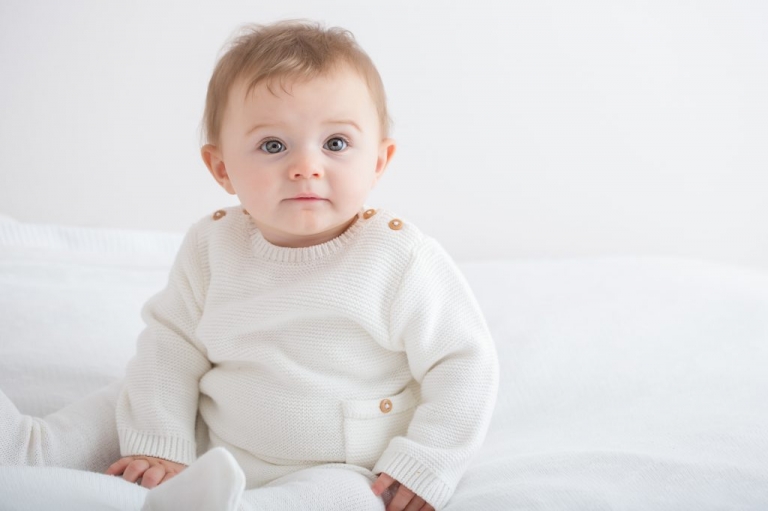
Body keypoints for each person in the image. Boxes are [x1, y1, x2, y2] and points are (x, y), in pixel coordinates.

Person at [3, 19, 499, 511]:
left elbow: (464, 364)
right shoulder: (212, 244)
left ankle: (234, 506)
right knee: (123, 403)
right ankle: (30, 447)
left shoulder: (399, 258)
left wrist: (427, 461)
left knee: (348, 500)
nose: (306, 165)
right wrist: (158, 440)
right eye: (273, 146)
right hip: (208, 424)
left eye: (336, 144)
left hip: (341, 459)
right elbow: (171, 345)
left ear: (378, 161)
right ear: (222, 168)